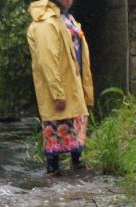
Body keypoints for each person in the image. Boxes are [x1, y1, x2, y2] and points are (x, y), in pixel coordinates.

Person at [27, 0, 94, 176]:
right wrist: (57, 93)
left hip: (72, 80)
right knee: (55, 125)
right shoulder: (45, 23)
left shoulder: (65, 18)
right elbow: (47, 61)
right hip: (59, 84)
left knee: (74, 122)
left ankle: (76, 164)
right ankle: (53, 172)